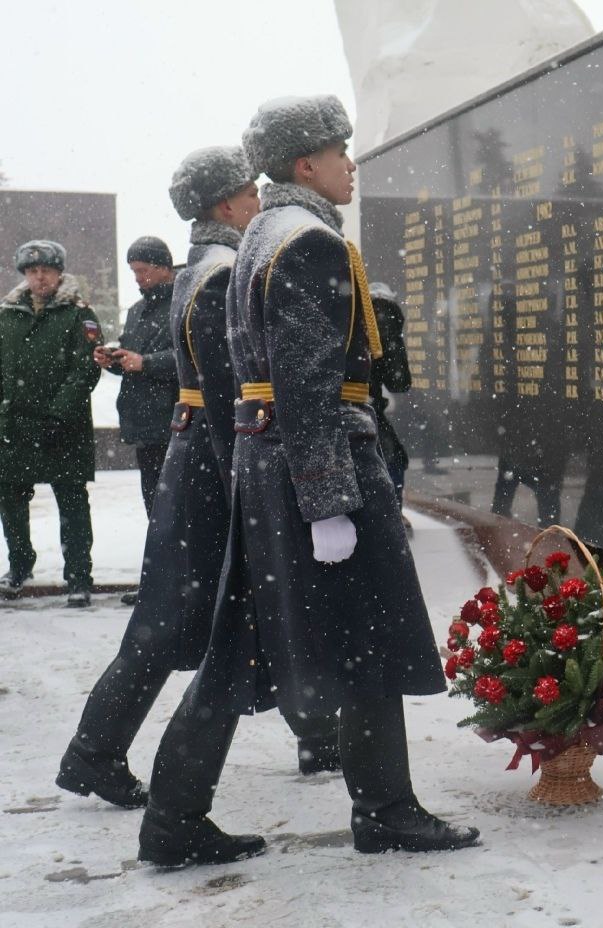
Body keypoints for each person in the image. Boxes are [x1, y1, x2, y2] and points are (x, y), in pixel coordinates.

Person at [138, 96, 479, 867]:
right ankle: (387, 810)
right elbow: (306, 383)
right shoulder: (308, 243)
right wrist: (330, 502)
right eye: (339, 151)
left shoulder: (261, 232)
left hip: (269, 464)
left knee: (237, 645)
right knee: (370, 639)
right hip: (317, 463)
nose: (350, 164)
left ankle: (173, 817)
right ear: (305, 165)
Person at [57, 147, 341, 813]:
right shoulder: (218, 274)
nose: (257, 204)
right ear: (225, 206)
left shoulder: (201, 270)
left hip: (193, 466)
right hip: (210, 471)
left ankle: (315, 733)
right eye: (249, 194)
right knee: (176, 623)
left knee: (214, 616)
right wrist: (243, 483)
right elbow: (221, 396)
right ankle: (95, 752)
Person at [0, 241, 102, 606]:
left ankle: (78, 577)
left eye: (46, 270)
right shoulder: (7, 314)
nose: (39, 277)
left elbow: (86, 368)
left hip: (64, 426)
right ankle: (19, 566)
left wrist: (58, 412)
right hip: (14, 427)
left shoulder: (79, 314)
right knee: (10, 500)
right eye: (32, 271)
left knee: (72, 503)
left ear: (59, 273)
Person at [95, 237, 179, 519]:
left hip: (174, 421)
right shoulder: (136, 311)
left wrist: (146, 362)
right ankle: (160, 559)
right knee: (154, 503)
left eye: (143, 270)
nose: (137, 278)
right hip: (144, 423)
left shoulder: (184, 303)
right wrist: (114, 360)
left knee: (176, 505)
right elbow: (134, 357)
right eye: (133, 271)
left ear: (165, 267)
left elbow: (194, 358)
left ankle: (174, 560)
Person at [367, 282, 412, 511]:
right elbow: (399, 382)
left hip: (338, 410)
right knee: (391, 459)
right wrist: (390, 323)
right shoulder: (384, 318)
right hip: (363, 410)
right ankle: (391, 515)